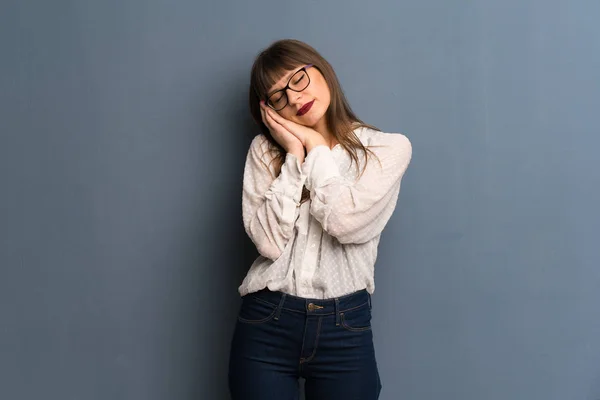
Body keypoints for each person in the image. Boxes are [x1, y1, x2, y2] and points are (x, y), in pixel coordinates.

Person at [228, 39, 412, 400]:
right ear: (269, 109)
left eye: (297, 79)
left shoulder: (386, 149)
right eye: (278, 96)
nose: (294, 99)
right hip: (267, 320)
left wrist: (316, 145)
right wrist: (295, 154)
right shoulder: (266, 152)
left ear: (321, 69)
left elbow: (344, 223)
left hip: (345, 326)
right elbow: (267, 243)